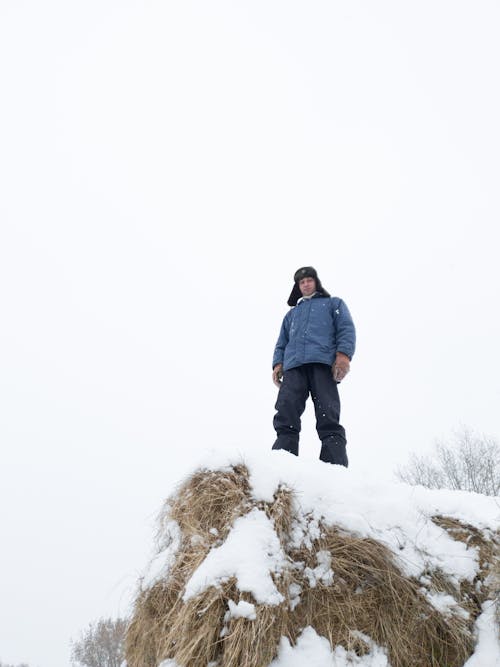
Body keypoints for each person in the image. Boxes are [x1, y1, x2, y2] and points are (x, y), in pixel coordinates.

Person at [271, 266, 356, 466]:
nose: (306, 284)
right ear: (298, 287)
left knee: (328, 412)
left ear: (316, 282)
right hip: (294, 368)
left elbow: (346, 329)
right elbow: (281, 342)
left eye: (309, 280)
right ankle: (282, 462)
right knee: (286, 410)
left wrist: (343, 357)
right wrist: (277, 364)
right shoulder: (291, 315)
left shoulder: (333, 304)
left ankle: (333, 466)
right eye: (302, 282)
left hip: (322, 364)